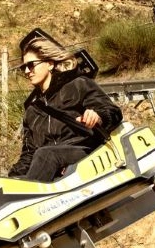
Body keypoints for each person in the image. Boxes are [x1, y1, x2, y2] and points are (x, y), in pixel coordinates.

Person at [9, 37, 123, 181]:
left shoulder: (77, 85)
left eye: (31, 65)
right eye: (23, 67)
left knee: (46, 154)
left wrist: (97, 116)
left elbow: (112, 111)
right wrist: (11, 179)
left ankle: (30, 202)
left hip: (84, 154)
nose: (26, 71)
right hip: (50, 169)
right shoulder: (32, 111)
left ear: (50, 64)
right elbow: (29, 153)